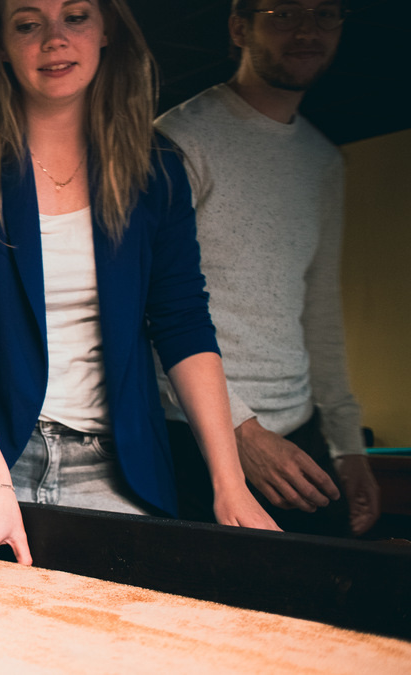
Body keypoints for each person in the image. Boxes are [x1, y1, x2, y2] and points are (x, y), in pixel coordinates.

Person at [0, 0, 278, 565]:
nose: (55, 39)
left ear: (106, 32)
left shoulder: (157, 169)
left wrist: (230, 481)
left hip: (120, 468)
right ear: (0, 45)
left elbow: (184, 326)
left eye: (75, 16)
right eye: (28, 24)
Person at [154, 0, 380, 537]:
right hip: (194, 434)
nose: (307, 29)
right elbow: (144, 311)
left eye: (326, 13)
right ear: (239, 27)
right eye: (283, 11)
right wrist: (240, 433)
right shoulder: (176, 141)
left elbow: (319, 315)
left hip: (301, 434)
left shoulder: (323, 161)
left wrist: (347, 447)